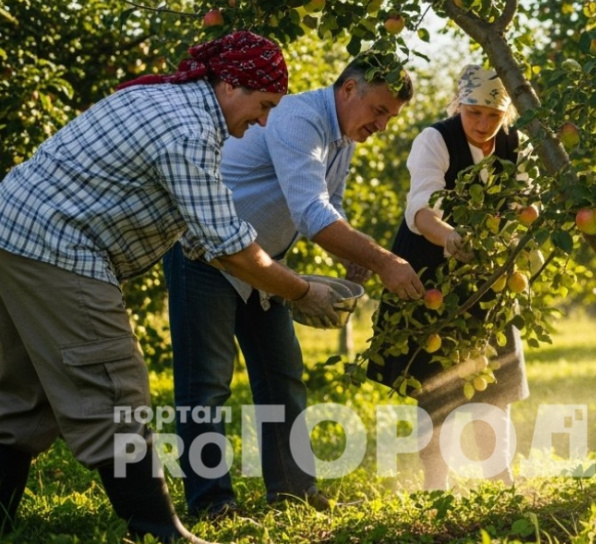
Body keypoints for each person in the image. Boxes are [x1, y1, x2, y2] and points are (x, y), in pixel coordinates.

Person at [0, 31, 342, 544]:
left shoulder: (167, 100)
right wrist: (301, 292)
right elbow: (228, 245)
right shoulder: (187, 131)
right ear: (230, 85)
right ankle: (160, 531)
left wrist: (281, 279)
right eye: (264, 104)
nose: (265, 120)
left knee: (19, 397)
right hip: (57, 247)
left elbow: (203, 232)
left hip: (14, 233)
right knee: (116, 386)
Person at [161, 52, 424, 519]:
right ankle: (212, 503)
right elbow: (312, 214)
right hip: (207, 254)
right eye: (379, 110)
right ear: (348, 90)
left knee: (282, 376)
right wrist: (384, 260)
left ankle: (293, 492)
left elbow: (331, 203)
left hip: (262, 265)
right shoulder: (298, 119)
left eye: (391, 116)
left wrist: (352, 257)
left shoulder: (341, 136)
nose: (382, 124)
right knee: (206, 385)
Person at [367, 64, 528, 491]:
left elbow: (525, 205)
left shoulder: (515, 146)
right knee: (432, 383)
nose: (482, 124)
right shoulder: (434, 139)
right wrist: (451, 236)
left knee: (492, 376)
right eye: (473, 112)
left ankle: (499, 476)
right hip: (429, 266)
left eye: (493, 115)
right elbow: (421, 207)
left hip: (486, 274)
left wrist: (519, 233)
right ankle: (436, 481)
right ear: (458, 105)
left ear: (506, 114)